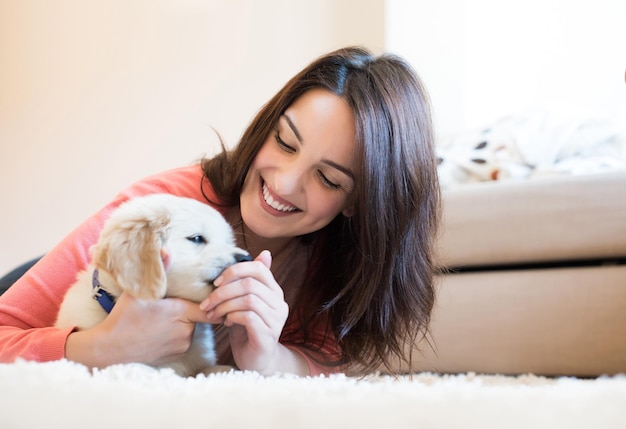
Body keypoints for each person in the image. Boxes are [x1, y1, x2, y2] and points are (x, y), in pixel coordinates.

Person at [0, 46, 441, 376]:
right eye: (285, 142)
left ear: (359, 203)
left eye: (329, 179)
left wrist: (268, 356)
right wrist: (101, 348)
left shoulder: (344, 262)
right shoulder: (161, 205)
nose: (284, 183)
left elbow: (330, 369)